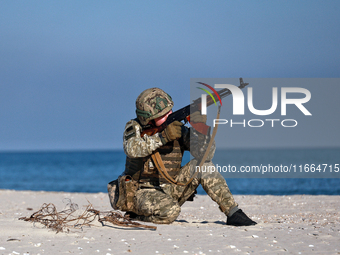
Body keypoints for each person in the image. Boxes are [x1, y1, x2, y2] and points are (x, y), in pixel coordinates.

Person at [108, 87, 256, 226]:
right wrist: (163, 137)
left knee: (203, 166)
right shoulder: (135, 127)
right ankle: (135, 215)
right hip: (141, 192)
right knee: (170, 212)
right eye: (163, 115)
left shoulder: (177, 130)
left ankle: (233, 213)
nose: (169, 115)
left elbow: (206, 155)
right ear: (148, 119)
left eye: (170, 111)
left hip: (171, 189)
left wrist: (200, 129)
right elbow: (132, 149)